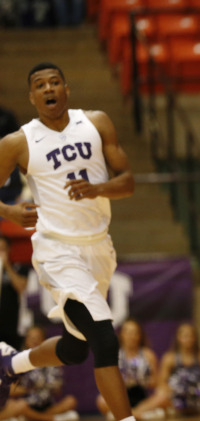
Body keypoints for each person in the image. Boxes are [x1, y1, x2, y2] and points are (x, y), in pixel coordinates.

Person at [0, 62, 135, 421]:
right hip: (57, 251)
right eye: (40, 85)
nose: (48, 89)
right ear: (32, 97)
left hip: (99, 247)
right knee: (105, 341)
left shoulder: (96, 122)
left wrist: (98, 188)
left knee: (76, 348)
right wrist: (9, 212)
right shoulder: (18, 142)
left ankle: (10, 364)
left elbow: (128, 181)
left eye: (55, 82)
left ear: (66, 88)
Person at [1, 326, 78, 421]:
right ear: (26, 341)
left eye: (38, 338)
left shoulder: (52, 362)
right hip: (27, 404)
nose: (35, 341)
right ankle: (53, 419)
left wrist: (50, 385)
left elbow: (58, 390)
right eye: (32, 338)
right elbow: (11, 390)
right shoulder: (17, 359)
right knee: (17, 405)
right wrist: (29, 388)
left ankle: (36, 418)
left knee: (70, 401)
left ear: (44, 341)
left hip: (47, 405)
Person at [96, 320, 162, 420]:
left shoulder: (148, 355)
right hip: (121, 398)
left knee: (163, 396)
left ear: (140, 335)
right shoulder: (114, 355)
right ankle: (140, 416)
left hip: (142, 398)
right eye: (128, 332)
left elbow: (156, 382)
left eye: (135, 333)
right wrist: (124, 381)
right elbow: (108, 382)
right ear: (122, 334)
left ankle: (130, 415)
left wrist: (141, 380)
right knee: (101, 400)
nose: (132, 336)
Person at [156, 323, 200, 416]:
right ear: (178, 338)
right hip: (177, 394)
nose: (188, 339)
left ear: (195, 338)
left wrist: (196, 388)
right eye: (185, 336)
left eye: (191, 336)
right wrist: (178, 389)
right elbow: (162, 383)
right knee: (160, 393)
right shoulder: (169, 358)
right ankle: (176, 409)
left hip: (199, 393)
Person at [0, 235, 30, 349]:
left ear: (8, 249)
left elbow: (21, 287)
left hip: (12, 325)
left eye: (2, 249)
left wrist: (6, 265)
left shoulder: (19, 268)